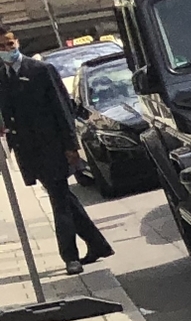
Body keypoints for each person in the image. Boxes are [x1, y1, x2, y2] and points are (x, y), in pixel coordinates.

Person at [0, 26, 113, 276]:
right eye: (2, 47)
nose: (8, 50)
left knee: (59, 200)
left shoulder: (41, 70)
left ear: (17, 42)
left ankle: (70, 257)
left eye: (11, 44)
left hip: (53, 145)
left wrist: (71, 146)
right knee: (64, 198)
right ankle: (98, 245)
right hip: (27, 151)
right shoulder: (2, 76)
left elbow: (62, 109)